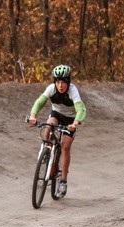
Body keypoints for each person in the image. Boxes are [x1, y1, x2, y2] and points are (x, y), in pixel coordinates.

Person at [27, 64, 86, 197]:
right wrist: (33, 115)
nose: (60, 86)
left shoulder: (72, 91)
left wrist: (75, 123)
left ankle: (63, 181)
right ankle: (46, 151)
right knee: (48, 126)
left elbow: (81, 109)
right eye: (58, 82)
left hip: (70, 119)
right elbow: (40, 102)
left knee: (65, 147)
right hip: (57, 115)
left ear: (68, 82)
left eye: (63, 82)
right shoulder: (51, 88)